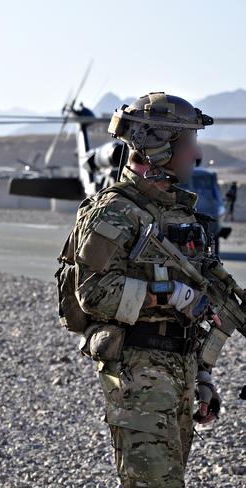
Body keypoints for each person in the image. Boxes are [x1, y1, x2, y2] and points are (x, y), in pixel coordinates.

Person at [66, 92, 220, 487]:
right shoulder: (115, 211)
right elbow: (93, 292)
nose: (196, 153)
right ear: (159, 147)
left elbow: (200, 304)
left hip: (179, 373)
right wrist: (166, 294)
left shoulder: (178, 211)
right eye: (188, 143)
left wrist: (202, 376)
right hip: (138, 374)